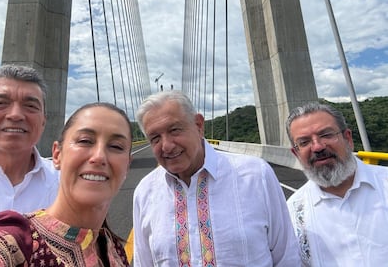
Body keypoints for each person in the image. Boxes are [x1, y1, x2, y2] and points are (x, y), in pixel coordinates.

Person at [133, 90, 301, 266]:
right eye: (155, 138)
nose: (166, 146)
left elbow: (287, 256)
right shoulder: (145, 192)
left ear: (198, 125)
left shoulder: (256, 175)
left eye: (174, 130)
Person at [0, 102, 132, 266]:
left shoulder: (114, 250)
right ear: (57, 155)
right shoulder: (17, 241)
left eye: (115, 146)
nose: (99, 156)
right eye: (85, 141)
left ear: (127, 165)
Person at [286, 102, 388, 266]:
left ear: (348, 138)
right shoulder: (292, 213)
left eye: (326, 135)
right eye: (304, 142)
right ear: (296, 153)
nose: (318, 147)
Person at [0, 64, 59, 232]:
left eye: (30, 106)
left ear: (43, 121)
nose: (15, 115)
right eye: (0, 103)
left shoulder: (66, 184)